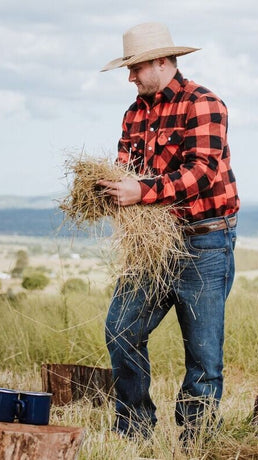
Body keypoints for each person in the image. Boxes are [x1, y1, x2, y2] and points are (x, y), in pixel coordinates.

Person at [98, 22, 240, 442]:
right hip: (155, 245)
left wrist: (140, 191)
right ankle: (135, 430)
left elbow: (201, 172)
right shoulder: (134, 112)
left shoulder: (205, 104)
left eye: (135, 68)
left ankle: (196, 443)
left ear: (161, 62)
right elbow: (127, 169)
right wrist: (108, 188)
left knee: (202, 355)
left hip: (205, 239)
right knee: (121, 329)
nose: (130, 77)